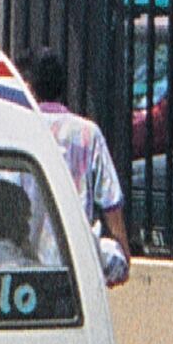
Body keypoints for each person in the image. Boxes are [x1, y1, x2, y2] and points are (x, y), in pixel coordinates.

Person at [23, 44, 130, 285]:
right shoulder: (87, 134)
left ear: (28, 87)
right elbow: (111, 202)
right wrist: (123, 256)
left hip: (24, 267)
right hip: (76, 268)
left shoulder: (19, 130)